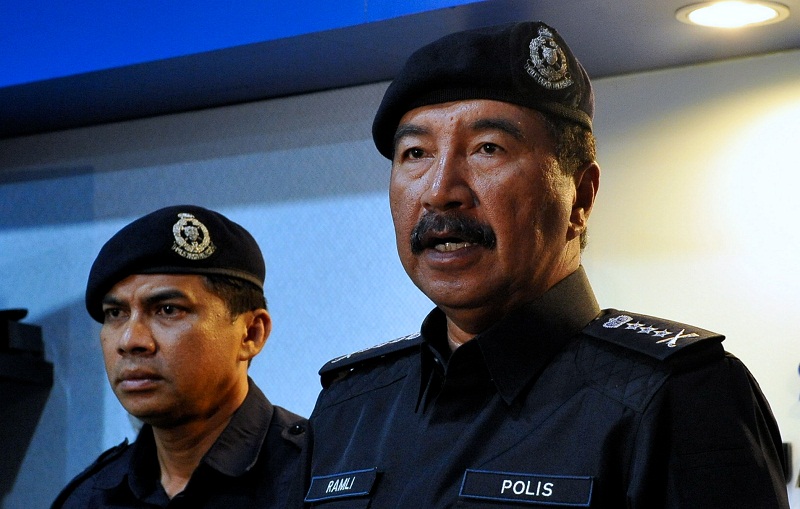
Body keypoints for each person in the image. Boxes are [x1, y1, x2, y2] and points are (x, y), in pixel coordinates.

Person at [299, 21, 789, 507]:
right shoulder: (351, 405)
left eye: (487, 149)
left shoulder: (679, 396)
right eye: (415, 153)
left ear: (580, 196)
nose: (439, 191)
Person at [52, 205, 306, 508]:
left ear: (251, 334)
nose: (130, 341)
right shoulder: (91, 497)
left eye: (168, 310)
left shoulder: (317, 476)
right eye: (116, 313)